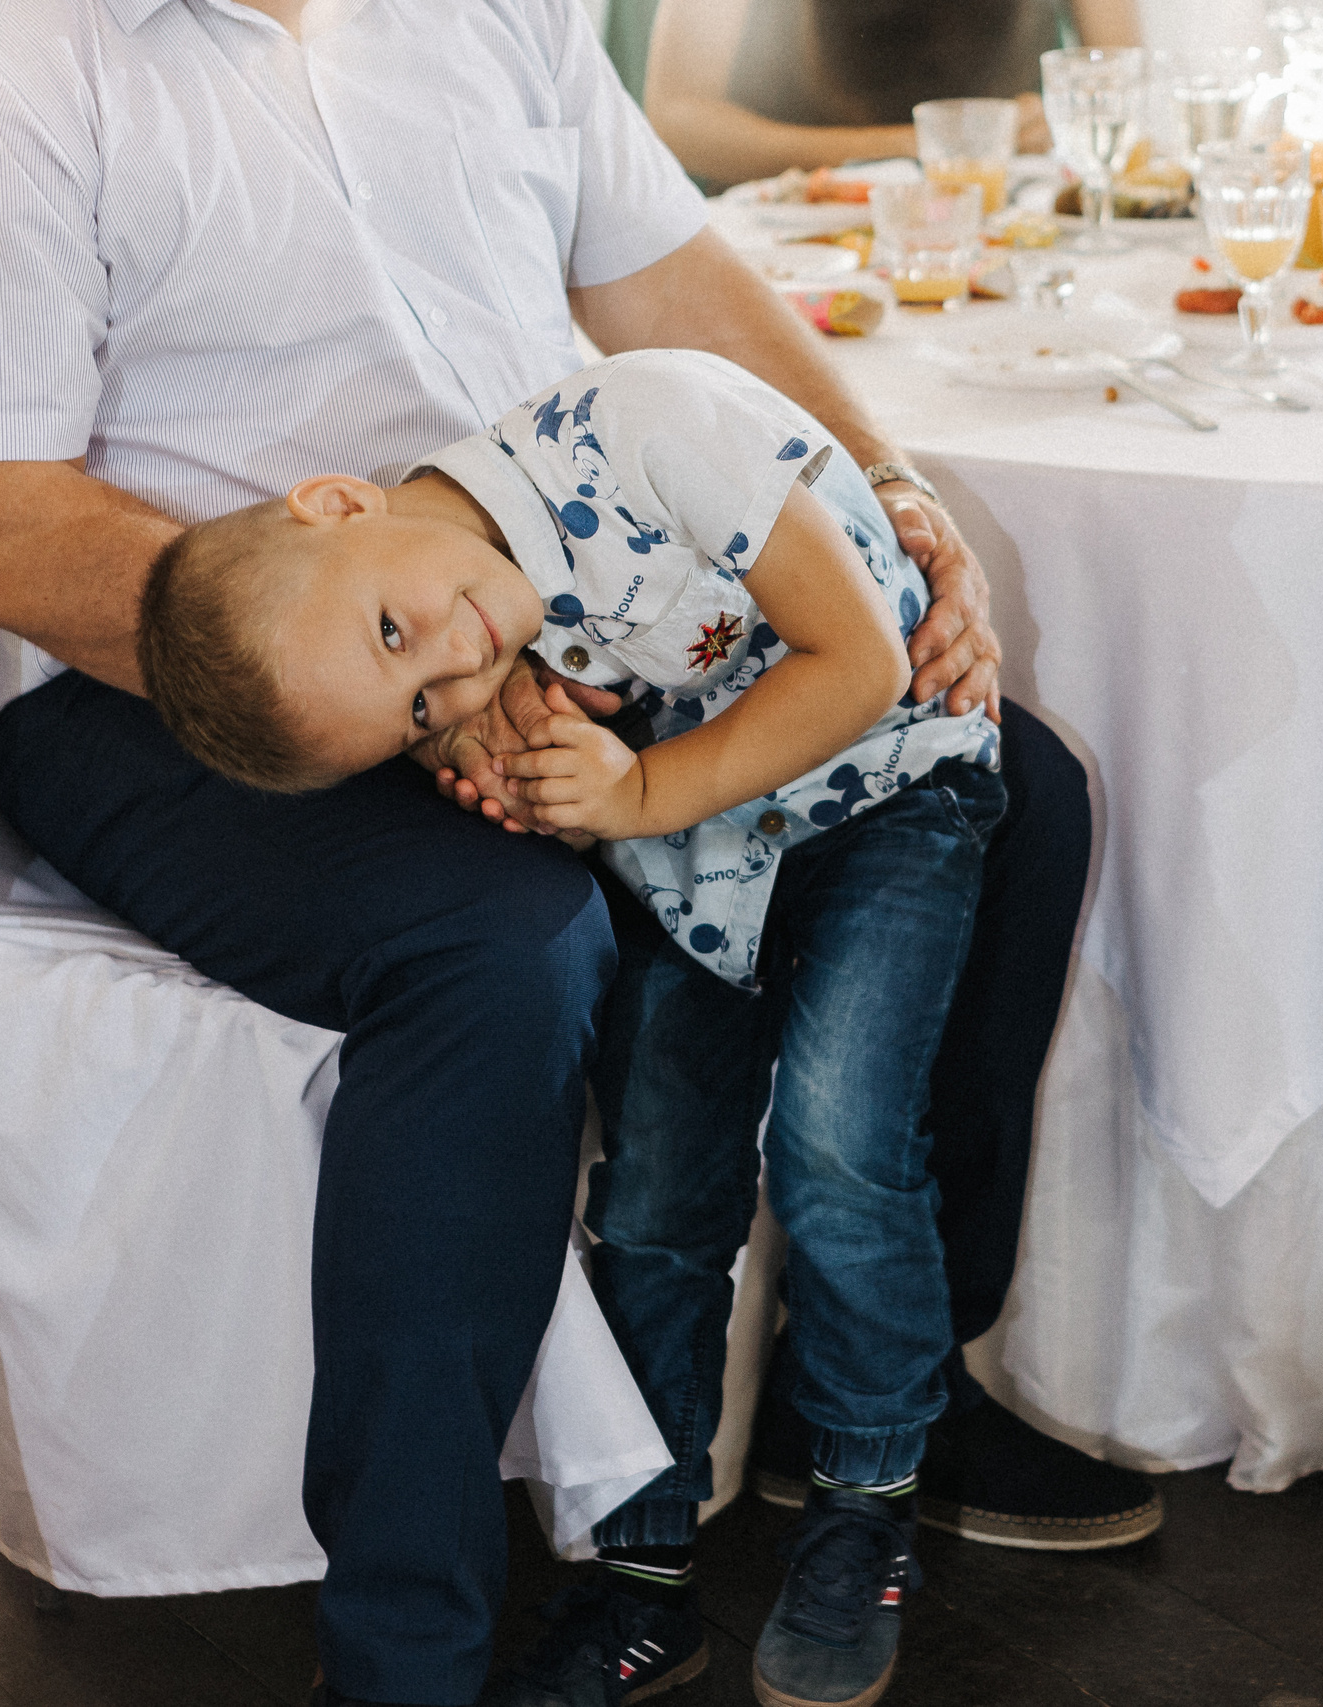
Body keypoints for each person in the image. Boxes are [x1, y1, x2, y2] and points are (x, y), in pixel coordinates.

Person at [0, 1, 1144, 1703]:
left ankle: (866, 1395)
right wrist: (429, 694)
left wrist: (884, 495)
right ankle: (404, 1642)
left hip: (555, 595)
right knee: (501, 943)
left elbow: (668, 281)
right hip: (169, 680)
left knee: (1003, 786)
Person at [137, 347, 1000, 1707]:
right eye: (419, 704)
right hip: (701, 851)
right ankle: (642, 1577)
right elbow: (499, 722)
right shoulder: (477, 633)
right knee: (654, 1197)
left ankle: (865, 1505)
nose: (458, 662)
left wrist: (639, 788)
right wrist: (502, 764)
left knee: (840, 1144)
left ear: (338, 503)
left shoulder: (643, 428)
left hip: (886, 798)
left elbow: (865, 661)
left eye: (392, 632)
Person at [640, 0, 1140, 188]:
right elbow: (678, 117)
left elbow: (1125, 75)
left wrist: (1056, 119)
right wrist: (914, 146)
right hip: (797, 237)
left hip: (1004, 231)